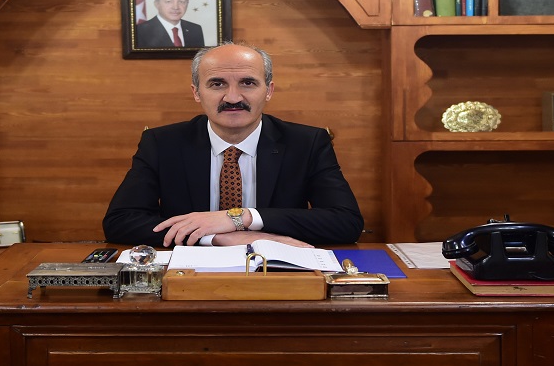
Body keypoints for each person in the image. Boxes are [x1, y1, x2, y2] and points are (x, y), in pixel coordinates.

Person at [103, 42, 363, 248]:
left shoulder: (307, 143)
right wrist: (216, 237)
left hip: (276, 273)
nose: (233, 97)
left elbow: (346, 222)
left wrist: (242, 218)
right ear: (196, 93)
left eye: (248, 83)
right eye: (217, 84)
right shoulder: (162, 143)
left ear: (269, 90)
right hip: (189, 275)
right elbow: (120, 221)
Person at [135, 0, 205, 48]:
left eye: (181, 2)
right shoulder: (140, 32)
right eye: (169, 1)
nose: (176, 7)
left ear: (187, 4)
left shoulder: (195, 29)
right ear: (156, 4)